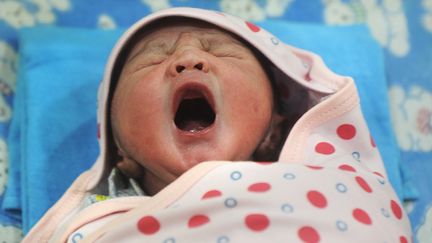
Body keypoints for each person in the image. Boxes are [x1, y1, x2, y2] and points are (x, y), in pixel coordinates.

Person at [23, 7, 412, 243]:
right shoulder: (103, 221)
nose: (189, 59)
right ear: (118, 148)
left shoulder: (331, 185)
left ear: (274, 131)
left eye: (220, 51)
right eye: (151, 59)